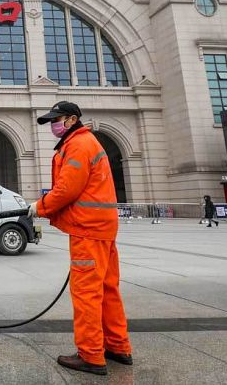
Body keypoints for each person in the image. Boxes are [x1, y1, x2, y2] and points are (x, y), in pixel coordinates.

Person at [28, 101, 132, 376]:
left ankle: (90, 355)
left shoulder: (78, 145)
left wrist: (39, 206)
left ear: (73, 119)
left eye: (57, 119)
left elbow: (67, 188)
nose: (54, 125)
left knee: (86, 292)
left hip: (88, 230)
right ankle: (117, 346)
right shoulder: (86, 142)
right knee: (108, 289)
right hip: (103, 228)